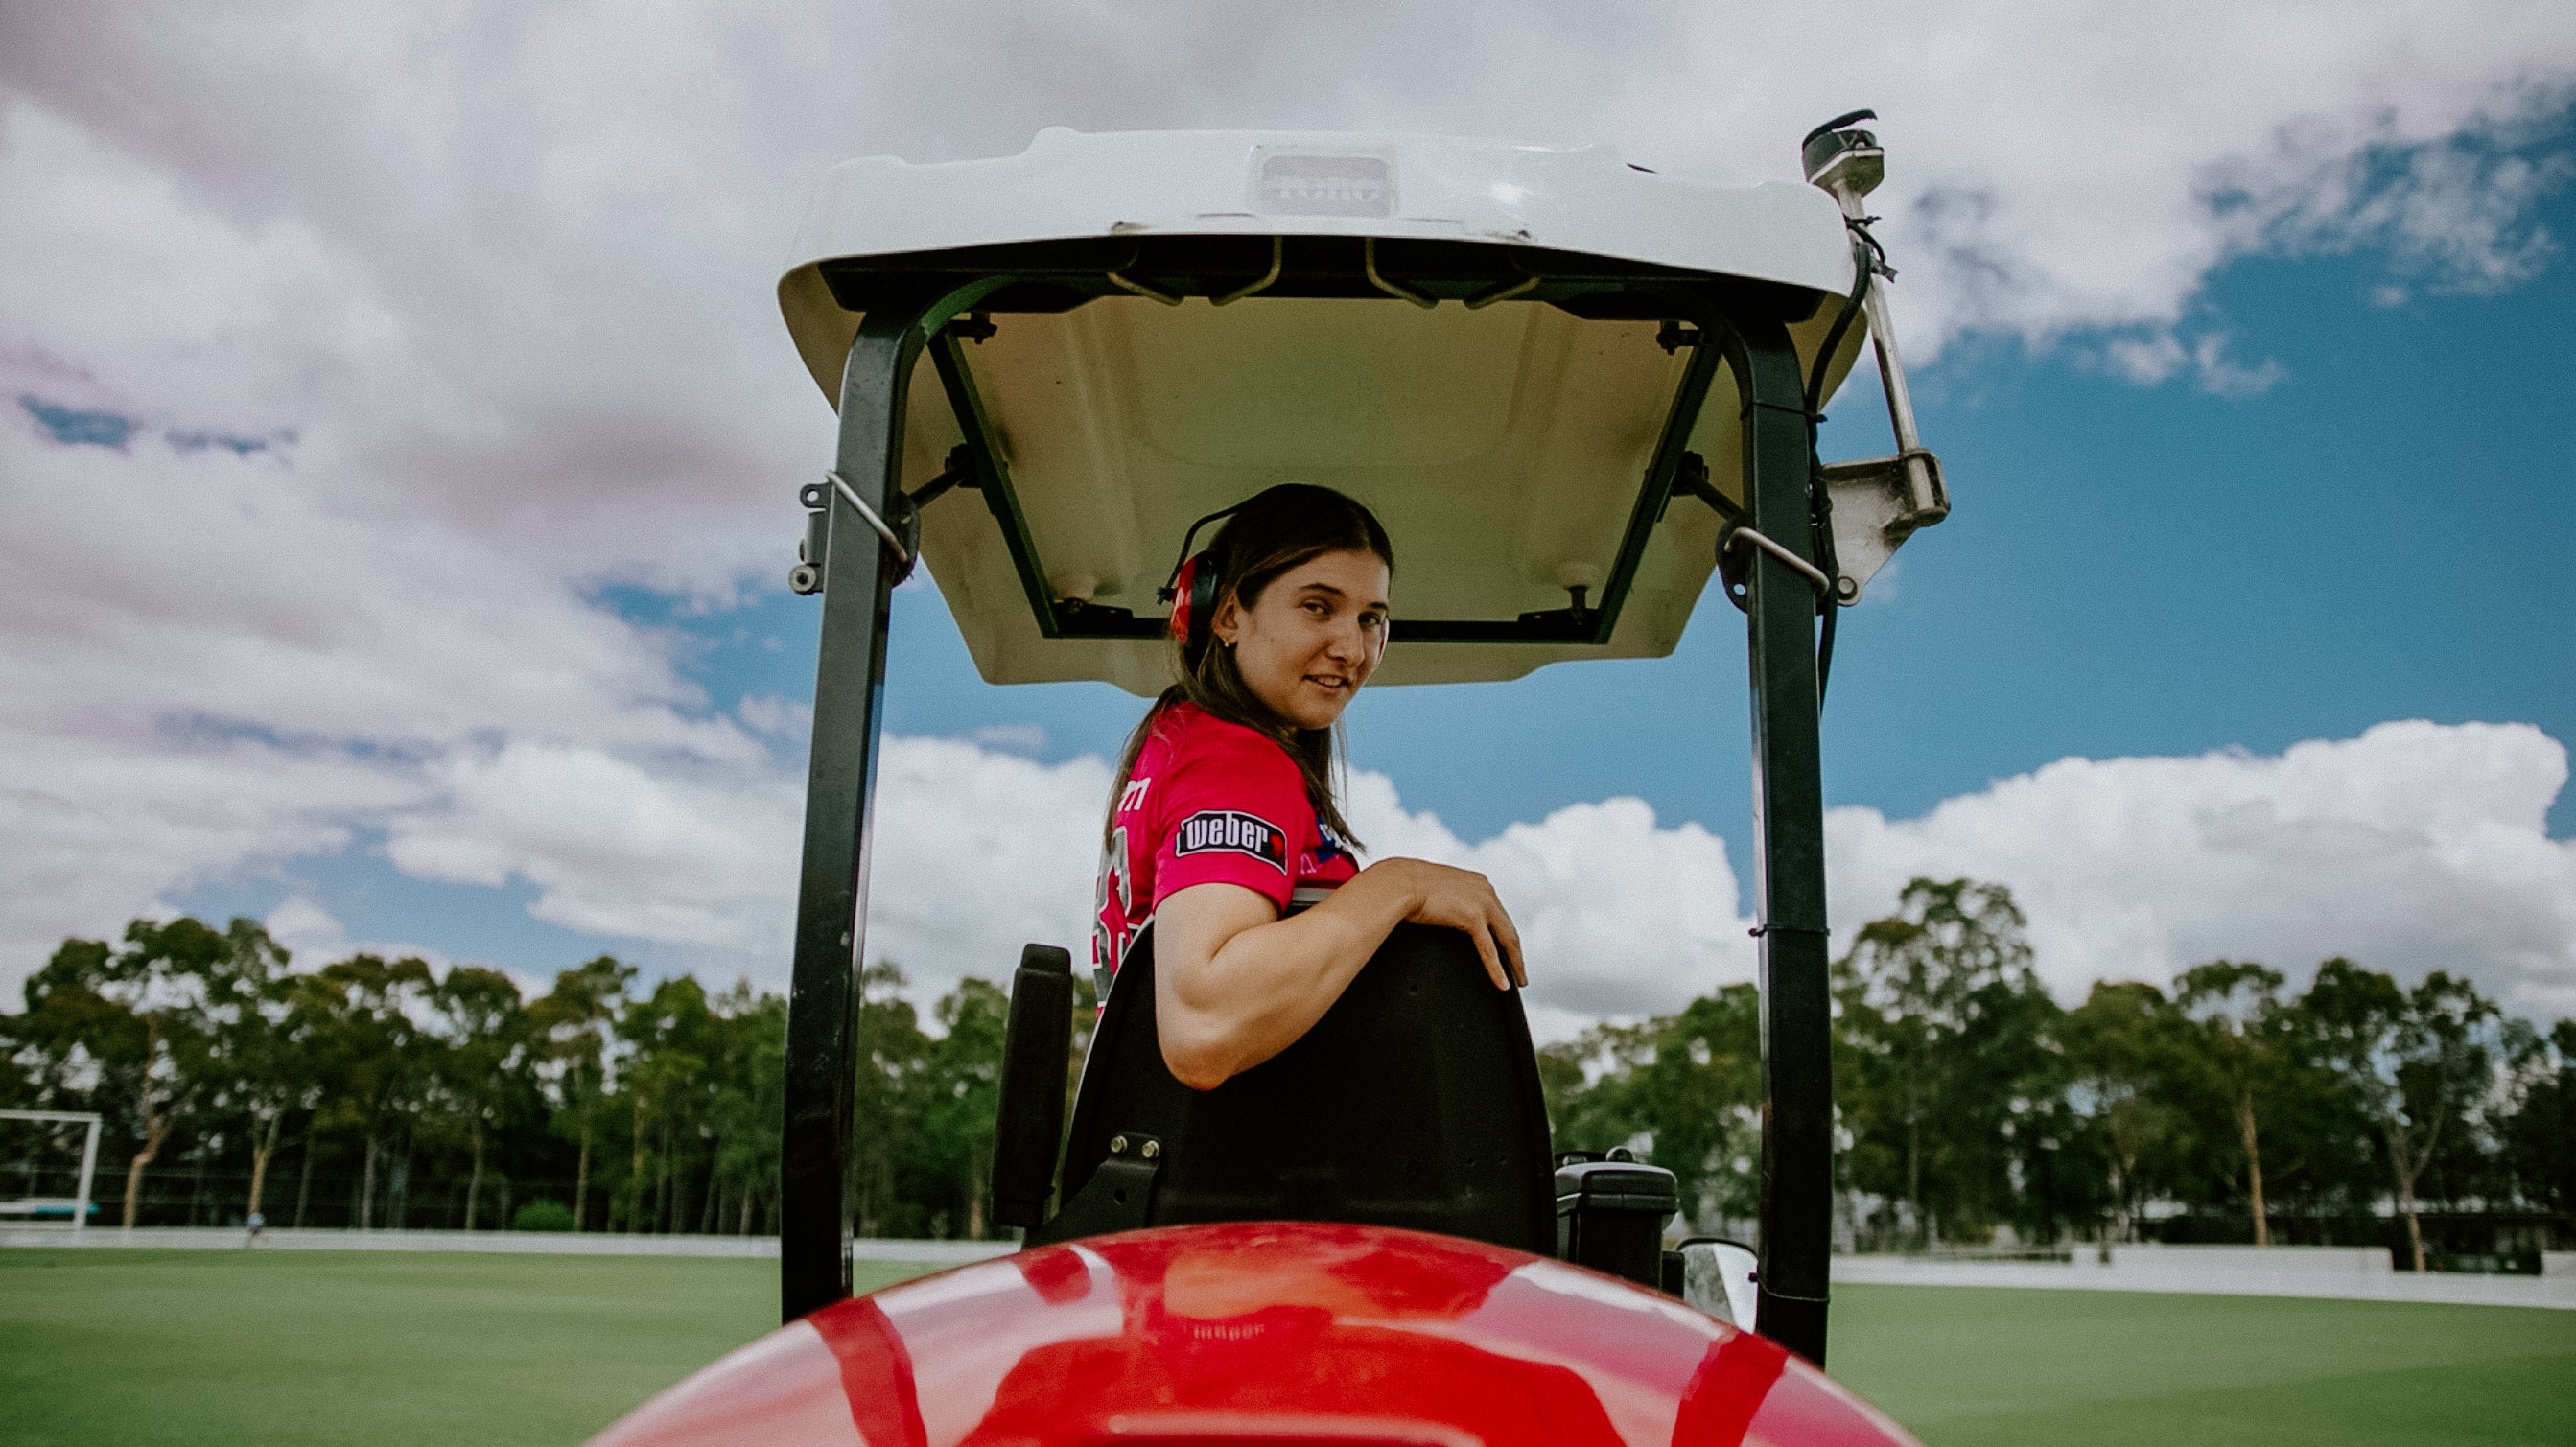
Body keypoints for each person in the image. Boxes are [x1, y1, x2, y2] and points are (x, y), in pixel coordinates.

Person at [1093, 483, 1525, 1092]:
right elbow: (1201, 1029)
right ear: (1225, 615)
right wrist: (1399, 885)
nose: (1350, 648)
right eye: (1317, 607)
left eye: (1370, 618)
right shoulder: (1234, 761)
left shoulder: (1180, 738)